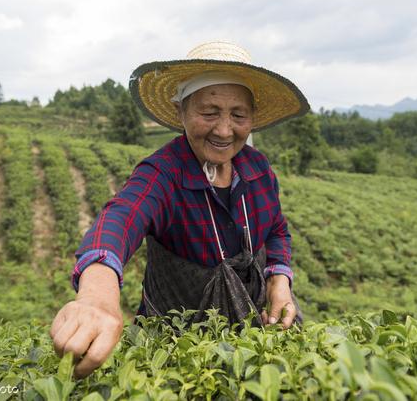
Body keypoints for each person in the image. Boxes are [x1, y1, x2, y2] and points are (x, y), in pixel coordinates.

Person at [50, 41, 310, 378]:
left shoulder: (257, 168)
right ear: (180, 112)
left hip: (251, 339)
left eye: (238, 115)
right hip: (176, 352)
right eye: (209, 112)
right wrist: (97, 295)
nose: (224, 130)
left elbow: (276, 229)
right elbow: (121, 217)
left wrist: (279, 280)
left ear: (252, 119)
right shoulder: (163, 173)